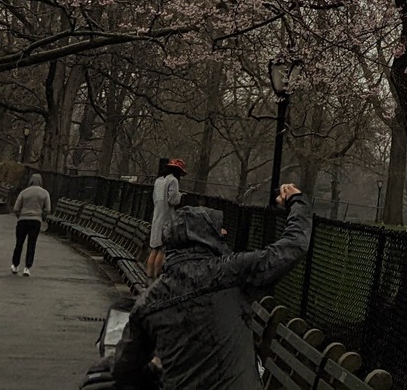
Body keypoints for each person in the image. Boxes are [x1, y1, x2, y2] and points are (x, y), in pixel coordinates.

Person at [110, 185, 312, 390]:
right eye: (218, 230)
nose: (224, 232)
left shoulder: (149, 301)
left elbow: (123, 370)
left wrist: (157, 371)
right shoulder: (231, 272)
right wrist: (296, 201)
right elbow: (293, 246)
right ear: (204, 236)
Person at [146, 157, 185, 278]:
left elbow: (154, 198)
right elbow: (173, 199)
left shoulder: (158, 181)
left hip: (157, 216)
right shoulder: (173, 181)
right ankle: (158, 275)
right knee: (162, 249)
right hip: (167, 218)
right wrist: (180, 196)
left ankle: (149, 274)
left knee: (154, 248)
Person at [11, 172, 53, 275]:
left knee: (19, 243)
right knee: (32, 244)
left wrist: (20, 216)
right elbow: (48, 209)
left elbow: (16, 208)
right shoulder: (44, 193)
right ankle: (27, 267)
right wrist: (42, 216)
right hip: (36, 221)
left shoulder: (24, 192)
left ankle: (15, 265)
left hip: (23, 220)